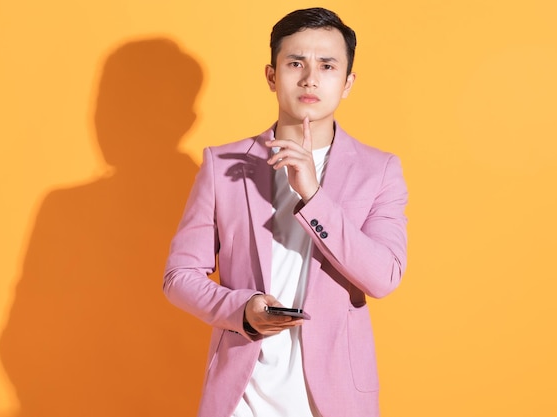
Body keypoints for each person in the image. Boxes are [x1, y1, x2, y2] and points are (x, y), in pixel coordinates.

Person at [163, 7, 408, 417]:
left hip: (335, 399)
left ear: (347, 83)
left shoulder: (379, 170)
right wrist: (241, 309)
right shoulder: (222, 164)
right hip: (241, 398)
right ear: (272, 75)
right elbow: (179, 276)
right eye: (296, 62)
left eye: (327, 65)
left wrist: (312, 196)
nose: (310, 77)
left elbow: (383, 277)